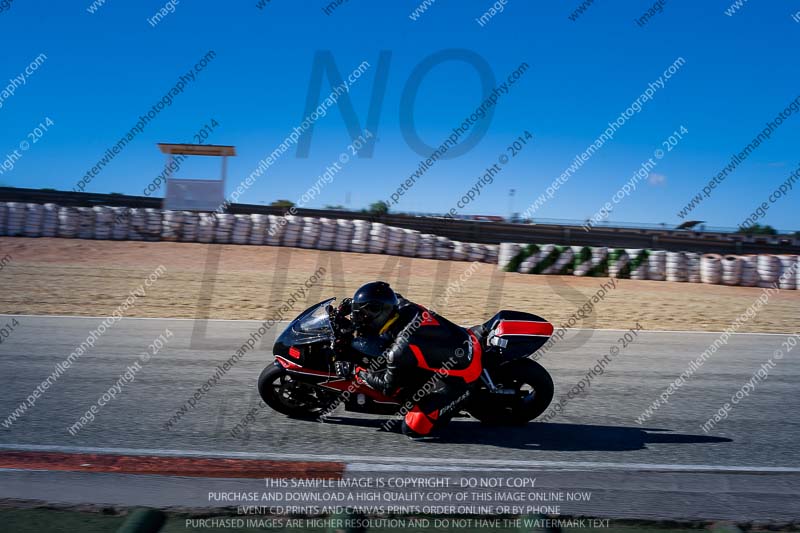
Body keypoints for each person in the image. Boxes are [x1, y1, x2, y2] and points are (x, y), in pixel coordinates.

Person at [335, 281, 483, 438]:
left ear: (380, 314)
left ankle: (460, 401)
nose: (359, 319)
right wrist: (351, 305)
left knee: (413, 428)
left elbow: (387, 387)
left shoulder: (400, 349)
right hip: (463, 339)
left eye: (363, 315)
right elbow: (383, 297)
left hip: (462, 378)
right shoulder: (400, 305)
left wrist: (355, 371)